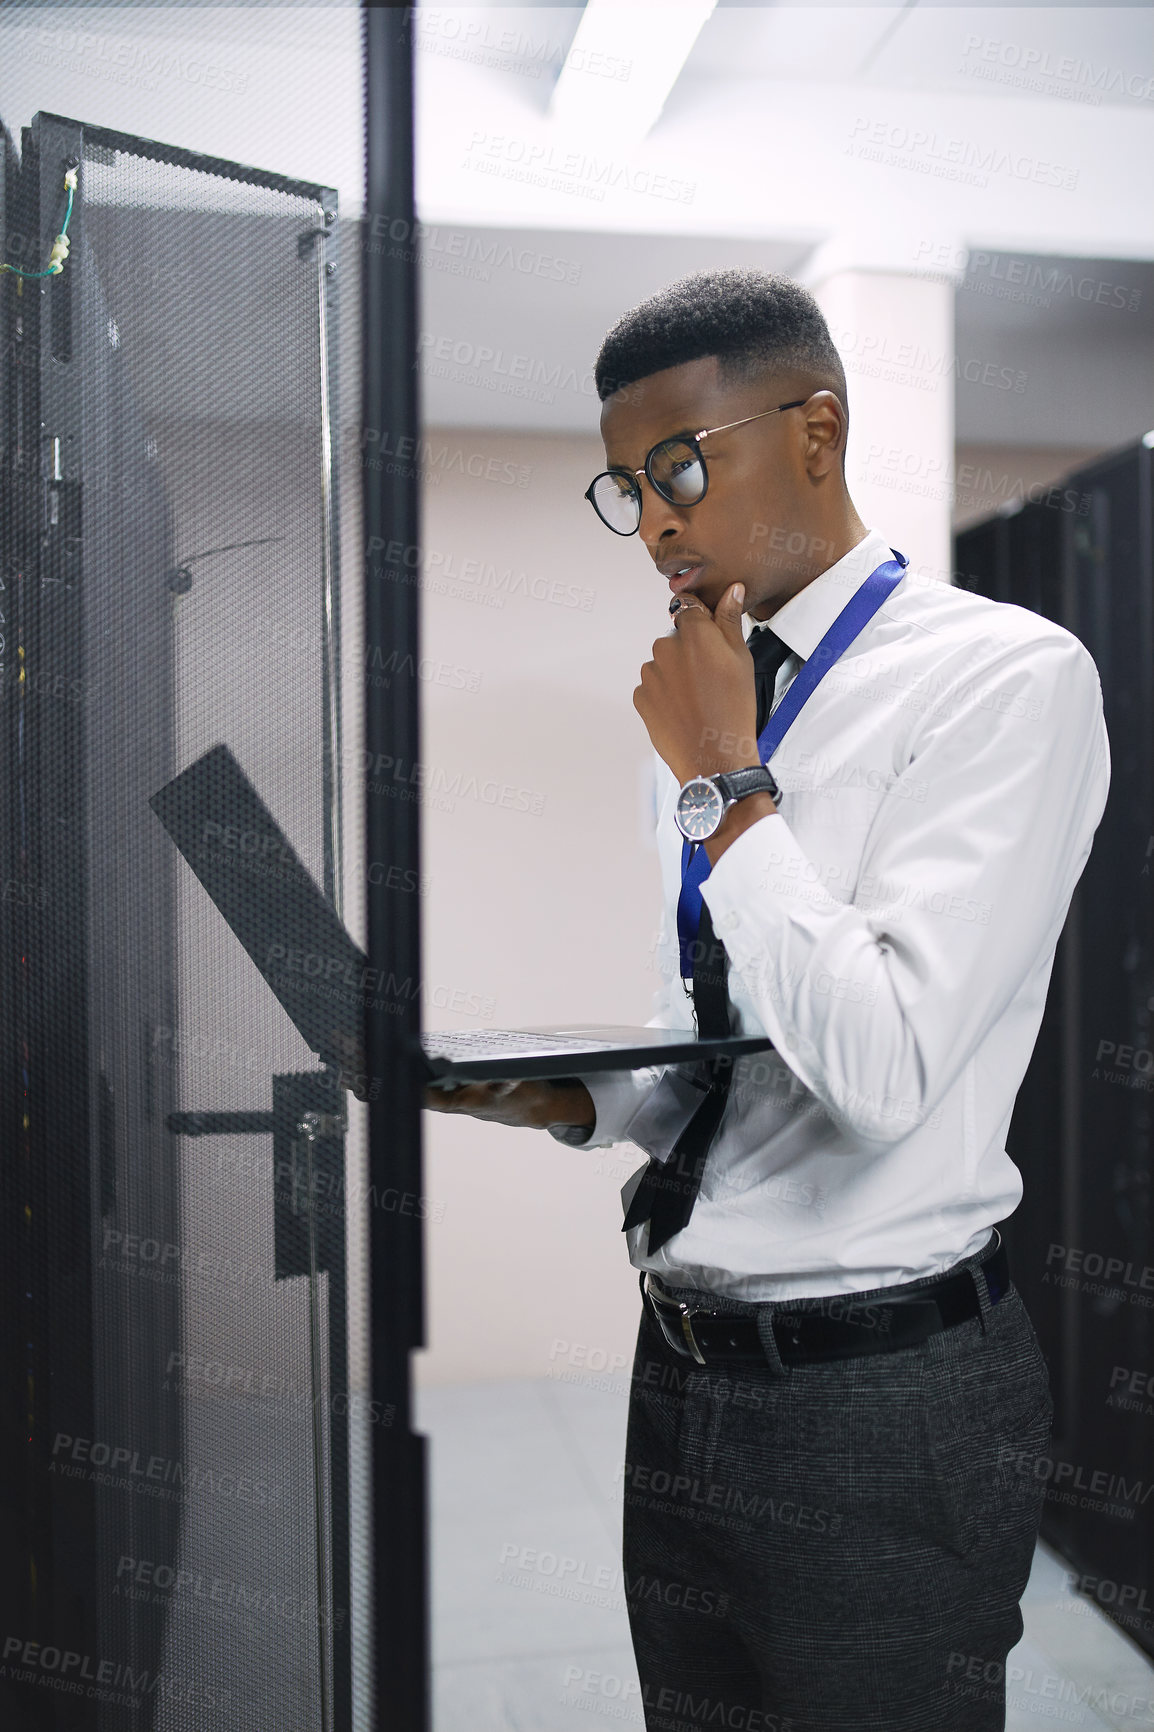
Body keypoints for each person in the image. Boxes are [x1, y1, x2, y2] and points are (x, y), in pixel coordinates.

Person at [424, 269, 1111, 1732]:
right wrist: (561, 1095)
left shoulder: (1000, 679)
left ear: (814, 430)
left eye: (679, 466)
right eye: (625, 490)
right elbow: (739, 1052)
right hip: (682, 1363)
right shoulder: (710, 698)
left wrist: (727, 783)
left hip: (883, 1392)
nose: (656, 520)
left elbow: (880, 1062)